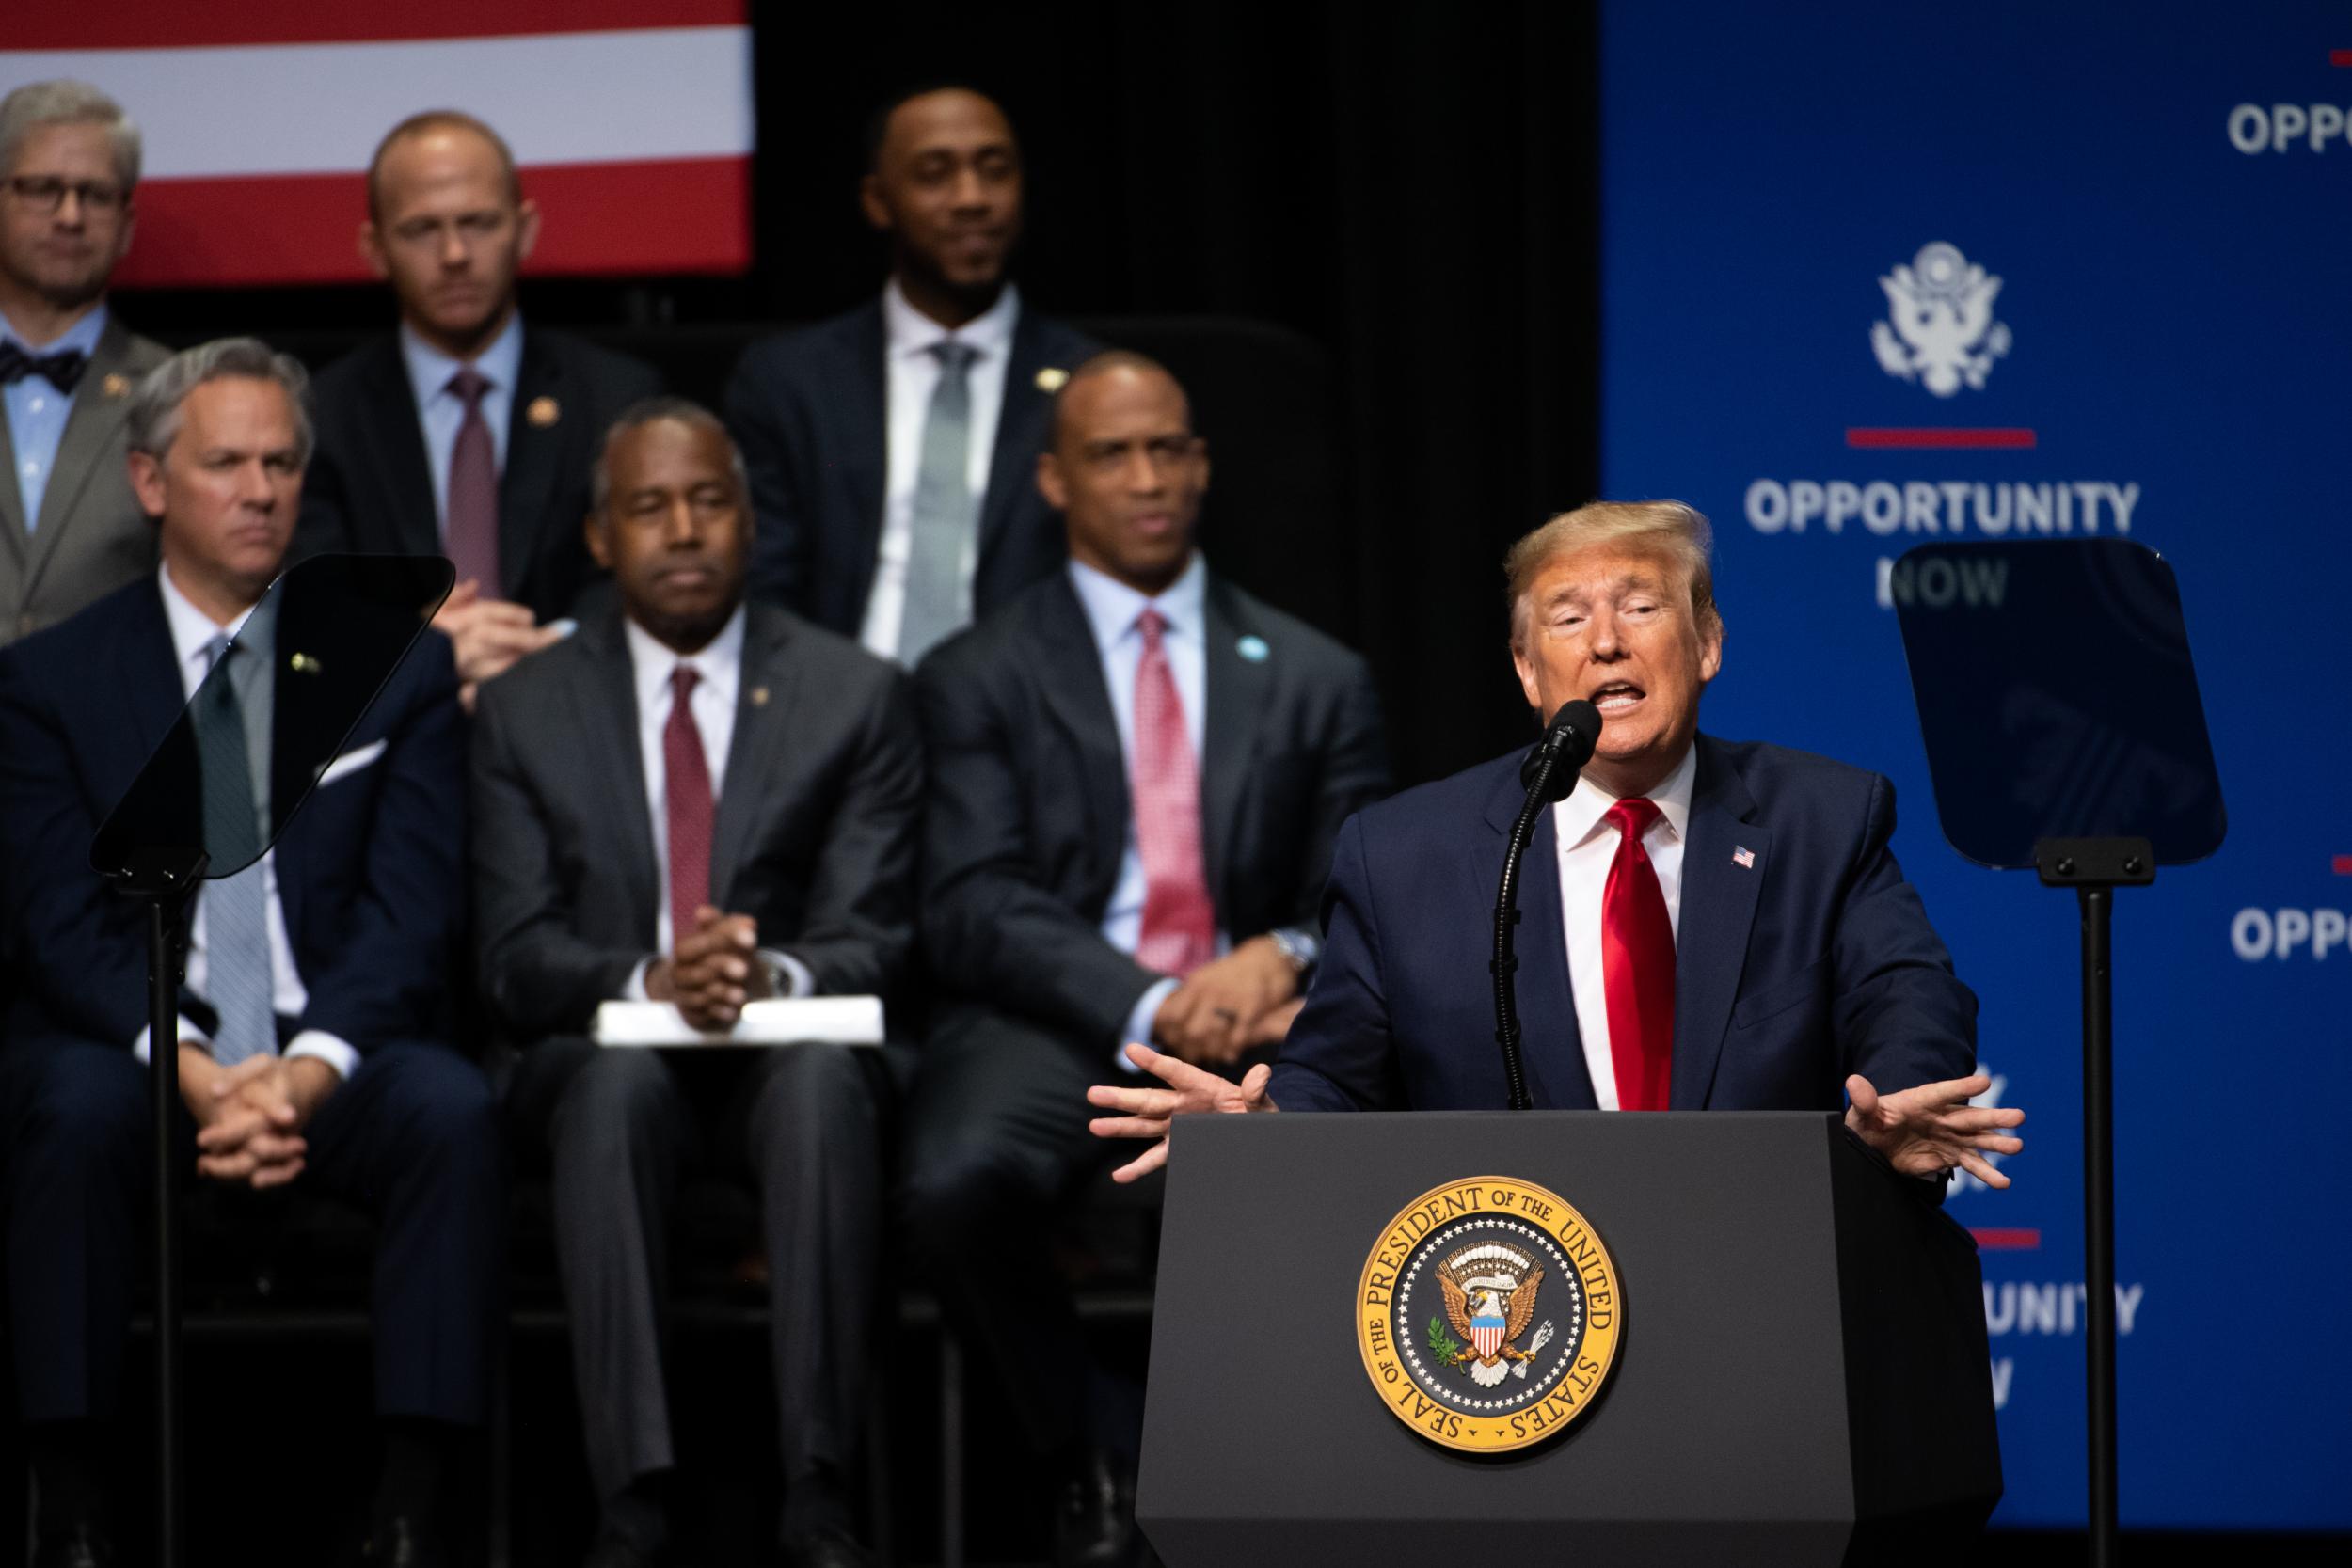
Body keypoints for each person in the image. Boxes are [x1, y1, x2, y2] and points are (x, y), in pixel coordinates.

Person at [1088, 500, 2026, 1191]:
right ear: (1529, 671)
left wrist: (1902, 1101)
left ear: (1706, 645)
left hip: (1760, 1267)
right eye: (1569, 617)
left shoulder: (1821, 817)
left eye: (1642, 607)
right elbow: (1334, 1070)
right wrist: (1268, 1126)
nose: (1607, 642)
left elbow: (1906, 990)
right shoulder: (1408, 852)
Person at [0, 339, 501, 1567]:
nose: (261, 487)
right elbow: (61, 922)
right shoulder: (50, 681)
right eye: (226, 461)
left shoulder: (399, 664)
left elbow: (413, 907)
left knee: (449, 1104)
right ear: (151, 481)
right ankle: (66, 1504)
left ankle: (410, 1506)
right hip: (146, 1047)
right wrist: (199, 1068)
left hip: (329, 1042)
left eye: (282, 461)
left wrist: (304, 1070)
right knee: (65, 1102)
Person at [899, 352, 1389, 1566]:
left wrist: (1277, 955)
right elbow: (969, 898)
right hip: (1053, 1017)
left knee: (1332, 1155)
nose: (1149, 476)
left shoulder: (1317, 674)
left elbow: (1369, 890)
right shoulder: (977, 671)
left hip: (1264, 1024)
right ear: (1055, 480)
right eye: (1113, 454)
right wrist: (1157, 997)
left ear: (1204, 464)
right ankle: (1087, 1446)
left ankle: (1298, 1493)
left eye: (1169, 447)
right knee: (952, 1179)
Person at [472, 399, 919, 1568]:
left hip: (788, 1046)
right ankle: (634, 1500)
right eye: (649, 506)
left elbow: (877, 933)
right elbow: (513, 954)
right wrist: (653, 978)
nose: (683, 529)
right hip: (600, 1053)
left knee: (827, 1086)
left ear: (752, 522)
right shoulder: (525, 706)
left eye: (708, 500)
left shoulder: (850, 692)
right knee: (610, 1097)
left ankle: (819, 1491)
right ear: (599, 536)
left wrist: (760, 969)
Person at [297, 110, 662, 707]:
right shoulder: (323, 416)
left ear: (525, 229)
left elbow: (640, 576)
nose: (455, 253)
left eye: (479, 223)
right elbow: (309, 599)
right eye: (421, 229)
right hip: (387, 731)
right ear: (374, 248)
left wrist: (547, 650)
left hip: (581, 714)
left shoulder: (617, 399)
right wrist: (419, 651)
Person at [724, 85, 1097, 665]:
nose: (971, 198)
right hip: (837, 713)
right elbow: (761, 582)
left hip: (1027, 720)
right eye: (935, 174)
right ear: (877, 201)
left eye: (995, 171)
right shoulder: (791, 382)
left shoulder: (1089, 385)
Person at [0, 80, 169, 643]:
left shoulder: (182, 395)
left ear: (126, 225)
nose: (70, 216)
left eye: (95, 195)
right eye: (43, 189)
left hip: (112, 728)